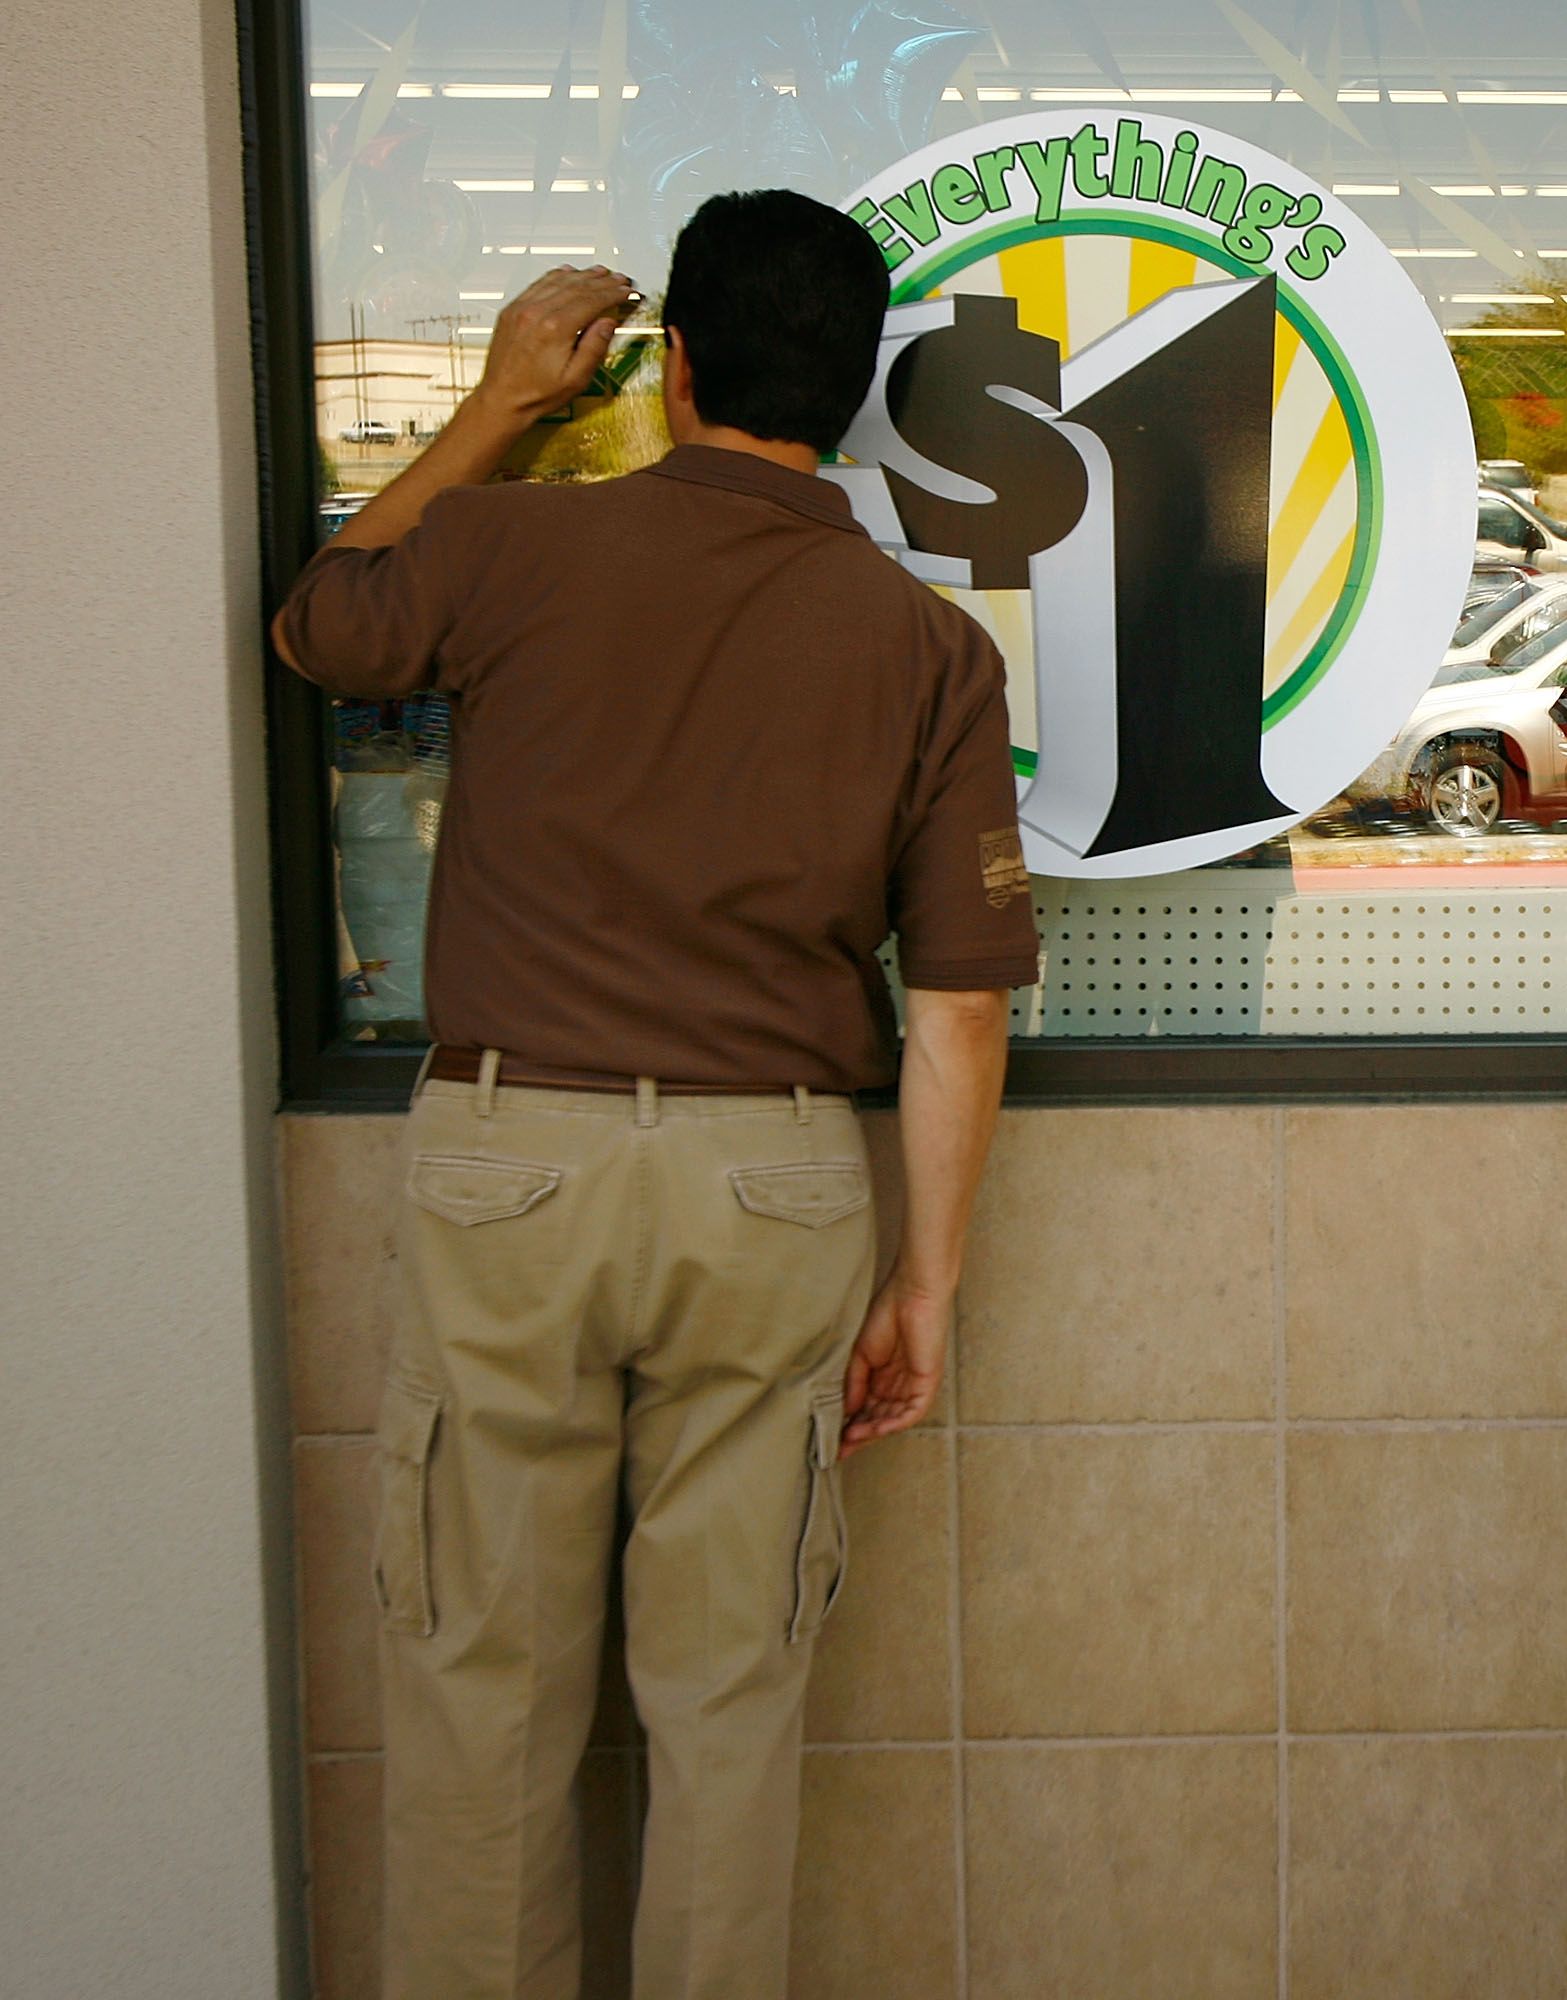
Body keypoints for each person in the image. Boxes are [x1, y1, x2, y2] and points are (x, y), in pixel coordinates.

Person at [270, 191, 1038, 1998]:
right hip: (771, 1197)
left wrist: (498, 408)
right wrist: (925, 1286)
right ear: (851, 398)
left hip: (507, 1173)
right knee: (727, 1708)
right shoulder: (925, 648)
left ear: (673, 364)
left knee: (479, 1691)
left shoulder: (516, 553)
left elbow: (321, 627)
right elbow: (954, 1015)